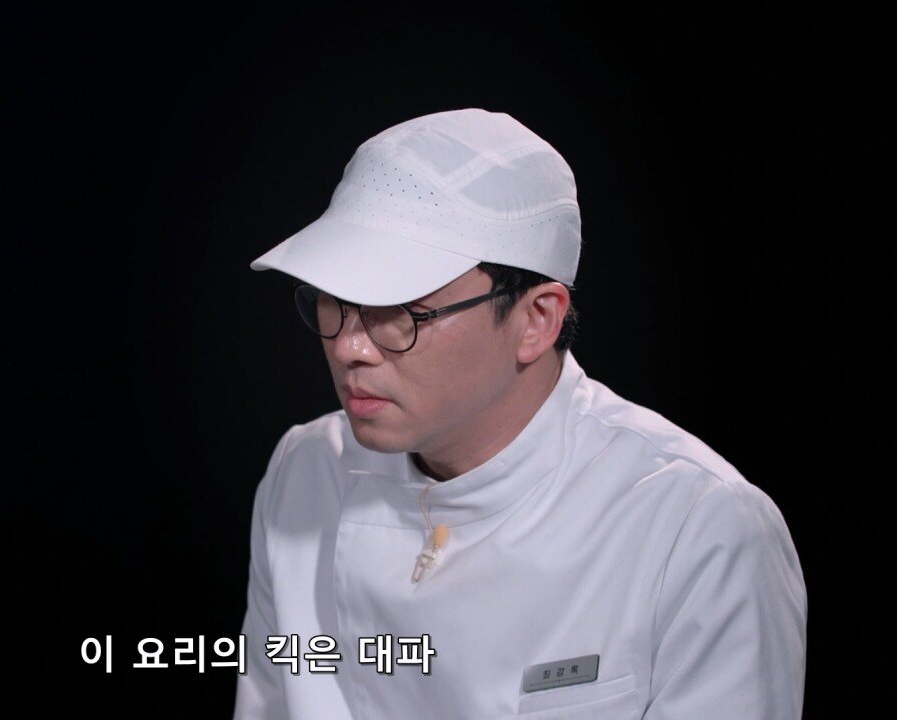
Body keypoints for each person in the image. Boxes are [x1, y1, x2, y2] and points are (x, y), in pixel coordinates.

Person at [233, 108, 807, 719]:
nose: (350, 346)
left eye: (400, 310)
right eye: (334, 301)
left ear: (537, 319)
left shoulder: (696, 528)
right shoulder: (307, 472)